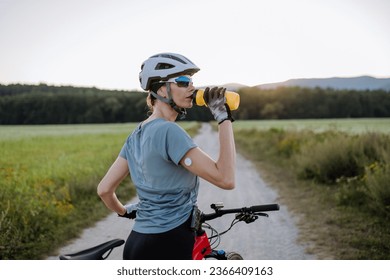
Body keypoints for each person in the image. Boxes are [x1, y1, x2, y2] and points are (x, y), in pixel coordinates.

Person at [97, 52, 236, 260]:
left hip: (137, 244)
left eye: (191, 81)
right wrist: (223, 118)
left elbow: (105, 190)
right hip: (170, 243)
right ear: (162, 89)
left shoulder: (135, 135)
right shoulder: (170, 131)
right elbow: (226, 179)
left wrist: (125, 211)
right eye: (182, 81)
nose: (191, 87)